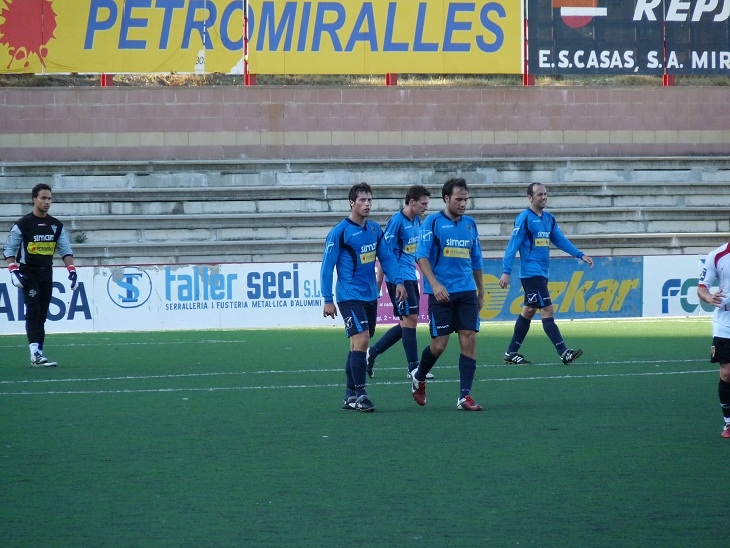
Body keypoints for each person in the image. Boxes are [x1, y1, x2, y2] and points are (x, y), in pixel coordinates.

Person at [321, 182, 406, 413]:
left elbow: (387, 258)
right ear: (352, 202)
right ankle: (361, 395)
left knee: (357, 344)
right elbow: (327, 267)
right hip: (349, 295)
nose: (367, 204)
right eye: (362, 200)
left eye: (370, 200)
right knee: (362, 340)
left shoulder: (375, 230)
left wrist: (397, 281)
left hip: (370, 294)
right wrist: (327, 298)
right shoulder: (340, 232)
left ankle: (349, 395)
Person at [409, 178, 484, 411]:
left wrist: (480, 291)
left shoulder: (470, 224)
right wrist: (435, 284)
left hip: (466, 292)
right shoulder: (432, 222)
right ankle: (419, 376)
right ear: (446, 199)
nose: (463, 204)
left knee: (469, 338)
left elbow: (476, 260)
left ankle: (464, 396)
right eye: (459, 199)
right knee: (439, 345)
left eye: (466, 200)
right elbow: (420, 256)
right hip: (440, 293)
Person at [498, 183, 594, 365]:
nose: (543, 197)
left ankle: (511, 352)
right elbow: (513, 245)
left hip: (541, 273)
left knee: (528, 311)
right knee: (547, 310)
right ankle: (563, 352)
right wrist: (506, 271)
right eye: (539, 194)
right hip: (531, 273)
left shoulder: (549, 219)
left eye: (545, 194)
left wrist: (580, 254)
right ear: (530, 197)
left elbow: (560, 240)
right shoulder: (524, 218)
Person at [4, 183, 78, 367]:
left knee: (42, 314)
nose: (47, 202)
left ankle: (39, 354)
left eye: (49, 198)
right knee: (33, 310)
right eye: (43, 198)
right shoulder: (23, 224)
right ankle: (35, 353)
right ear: (34, 199)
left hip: (47, 273)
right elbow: (9, 249)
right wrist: (13, 271)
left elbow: (65, 250)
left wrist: (72, 270)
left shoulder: (55, 225)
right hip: (28, 273)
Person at [366, 185, 435, 380]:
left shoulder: (417, 222)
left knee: (408, 322)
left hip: (411, 276)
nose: (426, 207)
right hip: (398, 279)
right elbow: (385, 254)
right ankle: (413, 368)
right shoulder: (396, 222)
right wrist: (380, 283)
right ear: (411, 202)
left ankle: (372, 353)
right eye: (423, 203)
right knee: (410, 320)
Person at [697, 242, 730, 438]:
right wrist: (709, 298)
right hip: (725, 324)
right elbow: (702, 288)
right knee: (727, 373)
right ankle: (728, 422)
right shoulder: (717, 256)